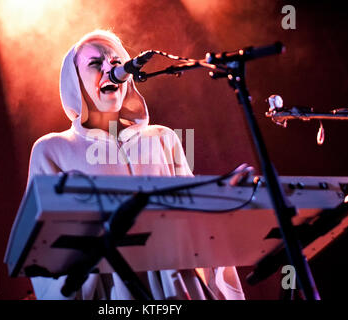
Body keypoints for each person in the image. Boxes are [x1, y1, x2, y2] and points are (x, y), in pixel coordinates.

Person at [27, 29, 246, 300]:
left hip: (176, 293)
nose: (110, 69)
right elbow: (45, 249)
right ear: (75, 82)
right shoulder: (53, 150)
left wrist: (221, 196)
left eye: (117, 63)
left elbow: (197, 224)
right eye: (96, 64)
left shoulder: (164, 139)